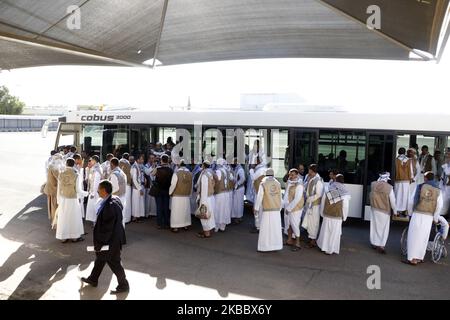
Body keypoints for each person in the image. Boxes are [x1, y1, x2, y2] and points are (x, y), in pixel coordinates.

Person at [81, 180, 129, 294]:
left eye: (99, 188)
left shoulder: (109, 207)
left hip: (111, 241)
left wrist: (100, 243)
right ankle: (93, 279)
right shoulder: (114, 199)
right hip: (114, 238)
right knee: (100, 259)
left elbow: (107, 229)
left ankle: (123, 285)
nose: (97, 190)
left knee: (114, 262)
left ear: (103, 190)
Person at [404, 171, 443, 265]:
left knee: (413, 236)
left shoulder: (420, 186)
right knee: (423, 237)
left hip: (418, 213)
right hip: (429, 216)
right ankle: (419, 257)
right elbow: (439, 205)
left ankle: (411, 258)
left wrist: (410, 212)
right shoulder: (438, 190)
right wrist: (435, 217)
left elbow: (411, 201)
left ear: (425, 178)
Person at [317, 174, 351, 255]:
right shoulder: (345, 192)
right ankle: (331, 249)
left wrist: (322, 213)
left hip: (327, 214)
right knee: (334, 233)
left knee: (326, 232)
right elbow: (345, 206)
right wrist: (344, 216)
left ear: (335, 180)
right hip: (337, 216)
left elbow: (323, 202)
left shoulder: (328, 188)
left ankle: (323, 247)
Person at [55, 158, 87, 243]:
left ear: (66, 164)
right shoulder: (76, 174)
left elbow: (59, 189)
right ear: (74, 165)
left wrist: (58, 200)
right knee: (73, 217)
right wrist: (86, 194)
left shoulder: (61, 174)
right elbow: (78, 190)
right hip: (72, 199)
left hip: (63, 199)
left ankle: (63, 237)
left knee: (64, 217)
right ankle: (74, 237)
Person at [254, 168, 283, 252]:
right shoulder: (277, 183)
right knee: (275, 229)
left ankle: (264, 247)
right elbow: (280, 197)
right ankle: (276, 246)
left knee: (265, 229)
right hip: (276, 210)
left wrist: (256, 208)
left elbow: (259, 197)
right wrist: (280, 208)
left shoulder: (263, 183)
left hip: (267, 209)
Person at [369, 172, 397, 254]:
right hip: (384, 210)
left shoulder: (373, 184)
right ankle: (381, 245)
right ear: (387, 179)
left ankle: (374, 243)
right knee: (384, 229)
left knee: (374, 226)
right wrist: (395, 211)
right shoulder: (389, 188)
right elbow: (393, 201)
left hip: (374, 209)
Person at [301, 164, 324, 248]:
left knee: (314, 223)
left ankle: (313, 241)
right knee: (310, 222)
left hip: (314, 205)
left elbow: (318, 194)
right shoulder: (311, 178)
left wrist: (309, 199)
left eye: (309, 170)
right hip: (310, 204)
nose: (308, 171)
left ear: (312, 170)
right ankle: (311, 239)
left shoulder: (318, 180)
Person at [283, 168, 304, 252]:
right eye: (290, 174)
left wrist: (289, 208)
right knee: (288, 224)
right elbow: (286, 195)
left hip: (295, 208)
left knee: (294, 225)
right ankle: (289, 240)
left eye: (292, 174)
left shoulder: (299, 185)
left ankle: (298, 244)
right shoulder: (289, 182)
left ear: (297, 175)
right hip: (288, 207)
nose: (290, 176)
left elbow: (297, 199)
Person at [169, 159, 193, 232]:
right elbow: (191, 185)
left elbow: (173, 184)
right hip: (186, 196)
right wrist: (190, 194)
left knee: (176, 212)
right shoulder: (190, 173)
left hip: (177, 196)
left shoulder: (176, 173)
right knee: (185, 211)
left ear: (179, 164)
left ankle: (176, 227)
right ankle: (185, 225)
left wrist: (170, 193)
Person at [152, 154, 173, 229]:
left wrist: (156, 167)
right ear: (168, 160)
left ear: (161, 160)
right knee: (166, 207)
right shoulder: (171, 170)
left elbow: (152, 174)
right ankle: (167, 223)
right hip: (167, 190)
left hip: (158, 190)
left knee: (159, 207)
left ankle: (159, 224)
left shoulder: (158, 169)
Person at [196, 160, 216, 238]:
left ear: (203, 165)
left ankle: (206, 233)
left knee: (204, 215)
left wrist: (202, 201)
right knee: (209, 215)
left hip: (205, 198)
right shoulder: (211, 173)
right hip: (210, 197)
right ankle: (207, 231)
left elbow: (204, 189)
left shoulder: (204, 175)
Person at [44, 153, 64, 227]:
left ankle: (54, 221)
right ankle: (55, 223)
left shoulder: (51, 166)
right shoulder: (55, 168)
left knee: (51, 206)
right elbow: (60, 179)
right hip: (54, 190)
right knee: (54, 207)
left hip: (50, 189)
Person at [213, 158, 232, 232]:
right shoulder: (227, 171)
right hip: (226, 193)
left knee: (218, 209)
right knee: (224, 209)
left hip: (219, 193)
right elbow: (232, 179)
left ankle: (216, 226)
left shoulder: (218, 171)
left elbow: (216, 181)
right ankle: (222, 227)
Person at [249, 157, 267, 233]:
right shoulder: (264, 168)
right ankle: (261, 226)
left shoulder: (260, 170)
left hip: (259, 192)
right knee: (261, 210)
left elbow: (253, 177)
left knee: (257, 209)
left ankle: (258, 227)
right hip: (263, 192)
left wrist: (251, 169)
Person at [394, 147, 413, 215]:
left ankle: (397, 209)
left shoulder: (395, 160)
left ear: (398, 152)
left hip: (398, 180)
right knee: (405, 195)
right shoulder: (408, 160)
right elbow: (411, 170)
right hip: (406, 180)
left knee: (397, 194)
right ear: (404, 152)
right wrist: (411, 178)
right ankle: (405, 210)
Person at [109, 158, 127, 227]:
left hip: (116, 198)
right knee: (122, 216)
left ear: (112, 164)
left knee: (116, 217)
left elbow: (115, 189)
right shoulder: (121, 172)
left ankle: (117, 234)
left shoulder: (114, 174)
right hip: (123, 197)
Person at [85, 155, 103, 224]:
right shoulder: (95, 168)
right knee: (94, 207)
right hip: (93, 191)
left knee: (95, 207)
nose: (90, 161)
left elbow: (96, 183)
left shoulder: (97, 170)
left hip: (95, 193)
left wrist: (93, 193)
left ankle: (96, 221)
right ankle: (95, 221)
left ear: (94, 161)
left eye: (91, 160)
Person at [130, 155, 145, 222]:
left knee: (138, 202)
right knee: (136, 203)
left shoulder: (137, 166)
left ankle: (137, 217)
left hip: (138, 187)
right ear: (138, 160)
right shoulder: (134, 167)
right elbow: (134, 180)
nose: (143, 160)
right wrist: (140, 189)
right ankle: (135, 217)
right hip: (136, 188)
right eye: (141, 159)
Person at [231, 158, 246, 224]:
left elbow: (243, 179)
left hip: (239, 189)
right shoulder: (237, 168)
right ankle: (238, 217)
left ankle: (238, 217)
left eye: (233, 162)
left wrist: (237, 184)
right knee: (237, 204)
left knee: (238, 204)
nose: (232, 163)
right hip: (237, 188)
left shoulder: (240, 169)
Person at [119, 153, 132, 224]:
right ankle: (127, 218)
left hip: (120, 184)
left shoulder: (118, 162)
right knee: (127, 201)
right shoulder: (128, 163)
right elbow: (129, 174)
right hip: (127, 184)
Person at [407, 148, 421, 215]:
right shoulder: (405, 160)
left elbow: (418, 172)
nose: (410, 153)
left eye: (411, 152)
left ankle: (410, 212)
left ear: (414, 153)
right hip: (406, 181)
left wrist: (414, 179)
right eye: (409, 152)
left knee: (411, 197)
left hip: (413, 181)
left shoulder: (416, 161)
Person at [73, 153, 87, 218]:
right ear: (76, 159)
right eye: (80, 159)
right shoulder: (74, 167)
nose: (81, 160)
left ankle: (80, 215)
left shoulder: (77, 166)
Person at [439, 150, 450, 216]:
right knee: (442, 198)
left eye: (448, 154)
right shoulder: (445, 164)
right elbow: (443, 174)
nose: (447, 156)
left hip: (448, 185)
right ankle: (442, 213)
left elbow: (448, 174)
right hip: (443, 184)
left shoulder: (446, 165)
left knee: (447, 199)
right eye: (446, 154)